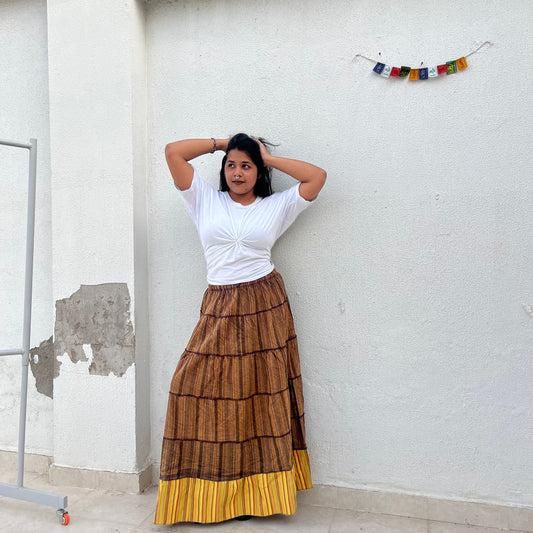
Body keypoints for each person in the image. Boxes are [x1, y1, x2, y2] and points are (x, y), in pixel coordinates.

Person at [154, 133, 326, 525]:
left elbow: (317, 177)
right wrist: (223, 142)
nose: (237, 172)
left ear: (257, 171)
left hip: (265, 303)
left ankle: (254, 496)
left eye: (246, 166)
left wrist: (269, 158)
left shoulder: (275, 206)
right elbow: (173, 152)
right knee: (189, 388)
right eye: (231, 165)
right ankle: (211, 494)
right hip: (219, 304)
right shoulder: (204, 199)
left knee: (259, 397)